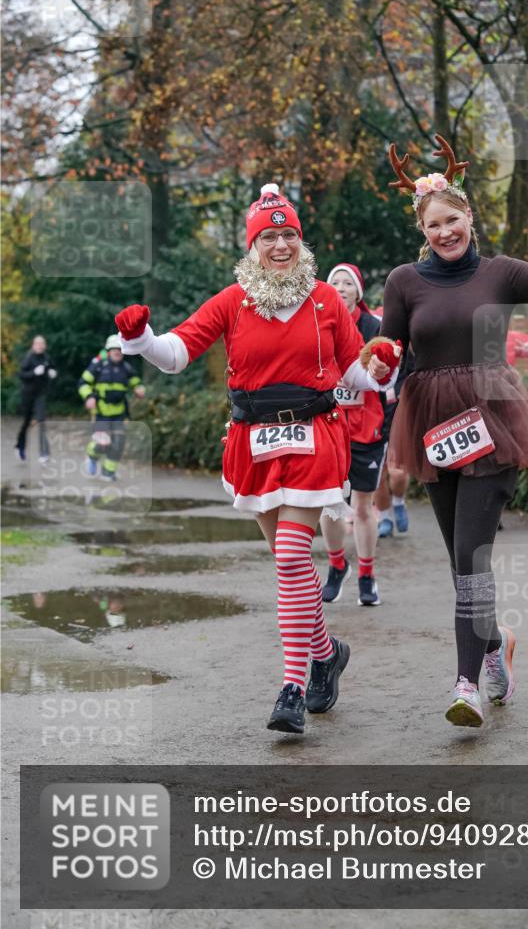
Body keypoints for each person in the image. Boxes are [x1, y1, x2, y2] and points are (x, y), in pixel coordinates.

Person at [114, 184, 401, 735]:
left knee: (293, 556)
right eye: (268, 236)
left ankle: (291, 686)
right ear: (253, 245)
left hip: (315, 437)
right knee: (289, 567)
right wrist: (143, 337)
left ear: (301, 240)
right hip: (253, 444)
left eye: (288, 234)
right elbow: (177, 353)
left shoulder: (324, 300)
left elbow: (352, 372)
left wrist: (379, 367)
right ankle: (327, 652)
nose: (280, 245)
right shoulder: (233, 300)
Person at [372, 135, 528, 728]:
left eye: (453, 219)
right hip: (432, 424)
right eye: (433, 224)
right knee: (460, 565)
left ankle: (467, 685)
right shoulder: (403, 281)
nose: (445, 232)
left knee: (472, 561)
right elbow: (390, 348)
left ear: (468, 215)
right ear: (422, 229)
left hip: (492, 419)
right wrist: (374, 362)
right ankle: (495, 645)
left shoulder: (503, 273)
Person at [320, 263, 386, 606]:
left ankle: (366, 575)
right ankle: (336, 565)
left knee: (362, 507)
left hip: (366, 430)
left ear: (359, 291)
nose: (342, 287)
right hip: (328, 428)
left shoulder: (374, 327)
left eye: (348, 283)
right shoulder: (318, 323)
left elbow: (391, 378)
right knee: (328, 506)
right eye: (335, 282)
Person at [78, 334, 145, 481]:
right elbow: (83, 383)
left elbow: (136, 382)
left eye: (120, 349)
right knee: (103, 442)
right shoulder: (98, 366)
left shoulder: (127, 368)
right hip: (101, 412)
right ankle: (91, 456)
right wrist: (89, 397)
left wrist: (139, 389)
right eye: (115, 349)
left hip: (119, 413)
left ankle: (108, 472)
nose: (118, 352)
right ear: (109, 350)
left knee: (118, 443)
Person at [374, 346, 416, 537]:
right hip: (372, 420)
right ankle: (384, 518)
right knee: (378, 476)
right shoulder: (366, 342)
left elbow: (414, 374)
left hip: (398, 418)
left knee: (398, 473)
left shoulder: (403, 352)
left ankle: (398, 502)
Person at [14, 335, 57, 463]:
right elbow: (20, 375)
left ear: (45, 346)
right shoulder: (28, 358)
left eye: (42, 343)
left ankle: (44, 454)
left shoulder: (47, 358)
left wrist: (53, 373)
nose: (40, 346)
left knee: (41, 421)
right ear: (33, 345)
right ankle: (20, 446)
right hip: (27, 394)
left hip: (40, 395)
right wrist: (33, 373)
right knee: (26, 422)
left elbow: (52, 370)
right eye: (37, 343)